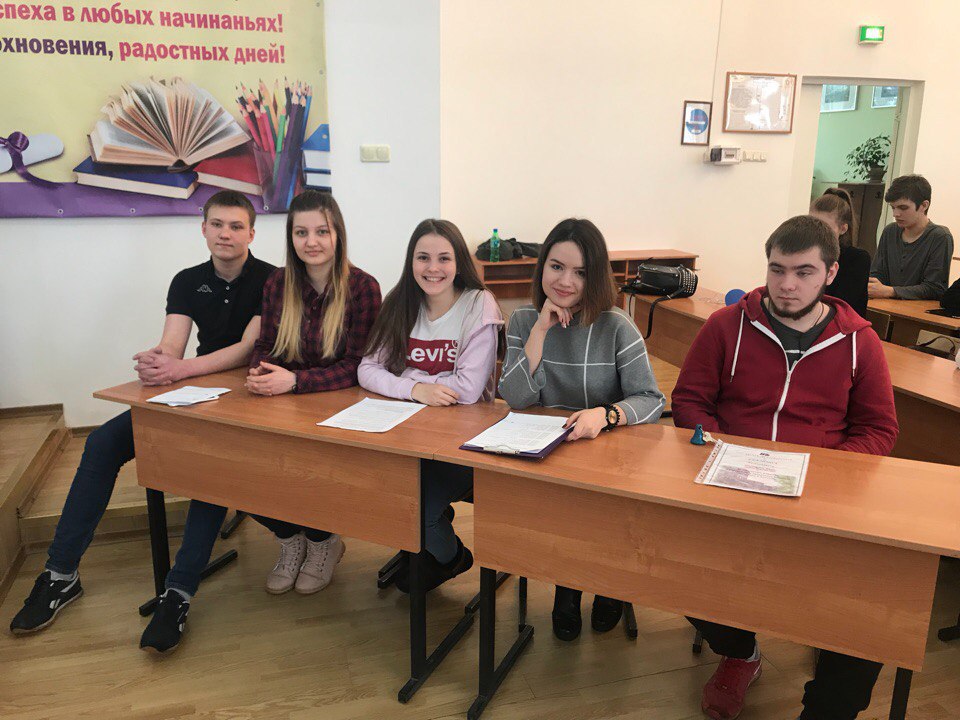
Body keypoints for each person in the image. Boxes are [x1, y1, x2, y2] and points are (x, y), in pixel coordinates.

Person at [9, 191, 275, 641]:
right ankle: (60, 574)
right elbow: (173, 343)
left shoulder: (273, 279)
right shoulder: (187, 280)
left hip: (248, 391)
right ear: (203, 229)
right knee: (101, 443)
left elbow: (246, 349)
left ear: (251, 233)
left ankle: (179, 593)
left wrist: (180, 369)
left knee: (208, 464)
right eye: (216, 224)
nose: (225, 234)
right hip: (196, 389)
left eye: (235, 226)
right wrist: (158, 361)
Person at [672, 215, 898, 720]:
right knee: (674, 569)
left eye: (803, 272)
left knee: (868, 624)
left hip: (820, 501)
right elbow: (689, 401)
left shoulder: (860, 341)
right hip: (731, 486)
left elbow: (879, 429)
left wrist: (824, 474)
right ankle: (741, 652)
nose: (787, 284)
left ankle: (824, 699)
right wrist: (720, 452)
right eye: (777, 269)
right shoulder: (725, 326)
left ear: (831, 273)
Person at [497, 218, 665, 641]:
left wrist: (605, 415)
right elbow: (515, 397)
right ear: (542, 267)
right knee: (559, 511)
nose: (566, 281)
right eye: (556, 267)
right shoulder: (523, 321)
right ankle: (567, 588)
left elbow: (651, 399)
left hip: (605, 451)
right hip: (549, 452)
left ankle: (608, 587)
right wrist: (540, 330)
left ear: (596, 277)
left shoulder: (616, 326)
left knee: (598, 509)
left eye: (580, 272)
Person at [243, 190, 380, 597]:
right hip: (283, 402)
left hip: (336, 407)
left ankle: (323, 542)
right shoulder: (277, 283)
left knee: (313, 475)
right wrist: (261, 371)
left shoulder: (363, 287)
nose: (312, 241)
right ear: (291, 238)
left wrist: (296, 382)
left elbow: (359, 365)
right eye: (301, 232)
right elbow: (265, 343)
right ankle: (290, 539)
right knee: (243, 465)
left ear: (338, 235)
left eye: (322, 231)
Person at [358, 218, 503, 591]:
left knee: (419, 510)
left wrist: (404, 378)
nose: (433, 268)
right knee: (371, 489)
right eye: (423, 257)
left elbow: (468, 390)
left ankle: (453, 557)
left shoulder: (478, 304)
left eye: (444, 258)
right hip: (405, 435)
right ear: (411, 261)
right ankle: (426, 540)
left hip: (461, 445)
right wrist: (416, 389)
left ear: (458, 262)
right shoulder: (400, 301)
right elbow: (367, 369)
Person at [869, 174, 953, 300]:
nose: (896, 214)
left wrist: (891, 291)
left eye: (903, 208)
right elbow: (877, 274)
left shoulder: (940, 237)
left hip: (918, 310)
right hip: (884, 306)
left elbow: (935, 288)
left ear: (924, 205)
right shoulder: (890, 231)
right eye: (893, 207)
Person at [811, 187, 870, 318]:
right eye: (811, 225)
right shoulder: (804, 254)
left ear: (843, 229)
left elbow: (841, 306)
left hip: (841, 325)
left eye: (825, 228)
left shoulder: (857, 259)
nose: (816, 232)